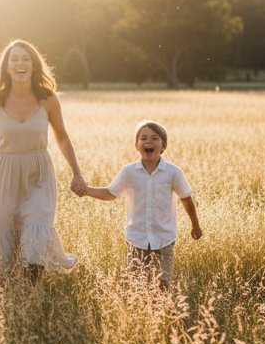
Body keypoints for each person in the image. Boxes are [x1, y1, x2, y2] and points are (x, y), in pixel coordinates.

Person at [0, 39, 86, 282]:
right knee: (3, 243)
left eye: (25, 59)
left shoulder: (48, 99)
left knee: (35, 236)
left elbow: (62, 137)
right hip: (4, 173)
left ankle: (32, 296)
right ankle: (8, 299)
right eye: (14, 59)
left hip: (38, 174)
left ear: (33, 65)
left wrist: (77, 173)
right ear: (7, 67)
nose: (20, 64)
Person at [82, 120, 202, 287]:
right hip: (136, 239)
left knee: (162, 286)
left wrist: (195, 225)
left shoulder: (173, 172)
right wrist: (86, 190)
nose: (149, 142)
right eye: (143, 138)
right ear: (137, 145)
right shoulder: (128, 172)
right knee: (138, 287)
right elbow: (110, 193)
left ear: (164, 145)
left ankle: (161, 312)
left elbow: (186, 198)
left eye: (155, 138)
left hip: (163, 239)